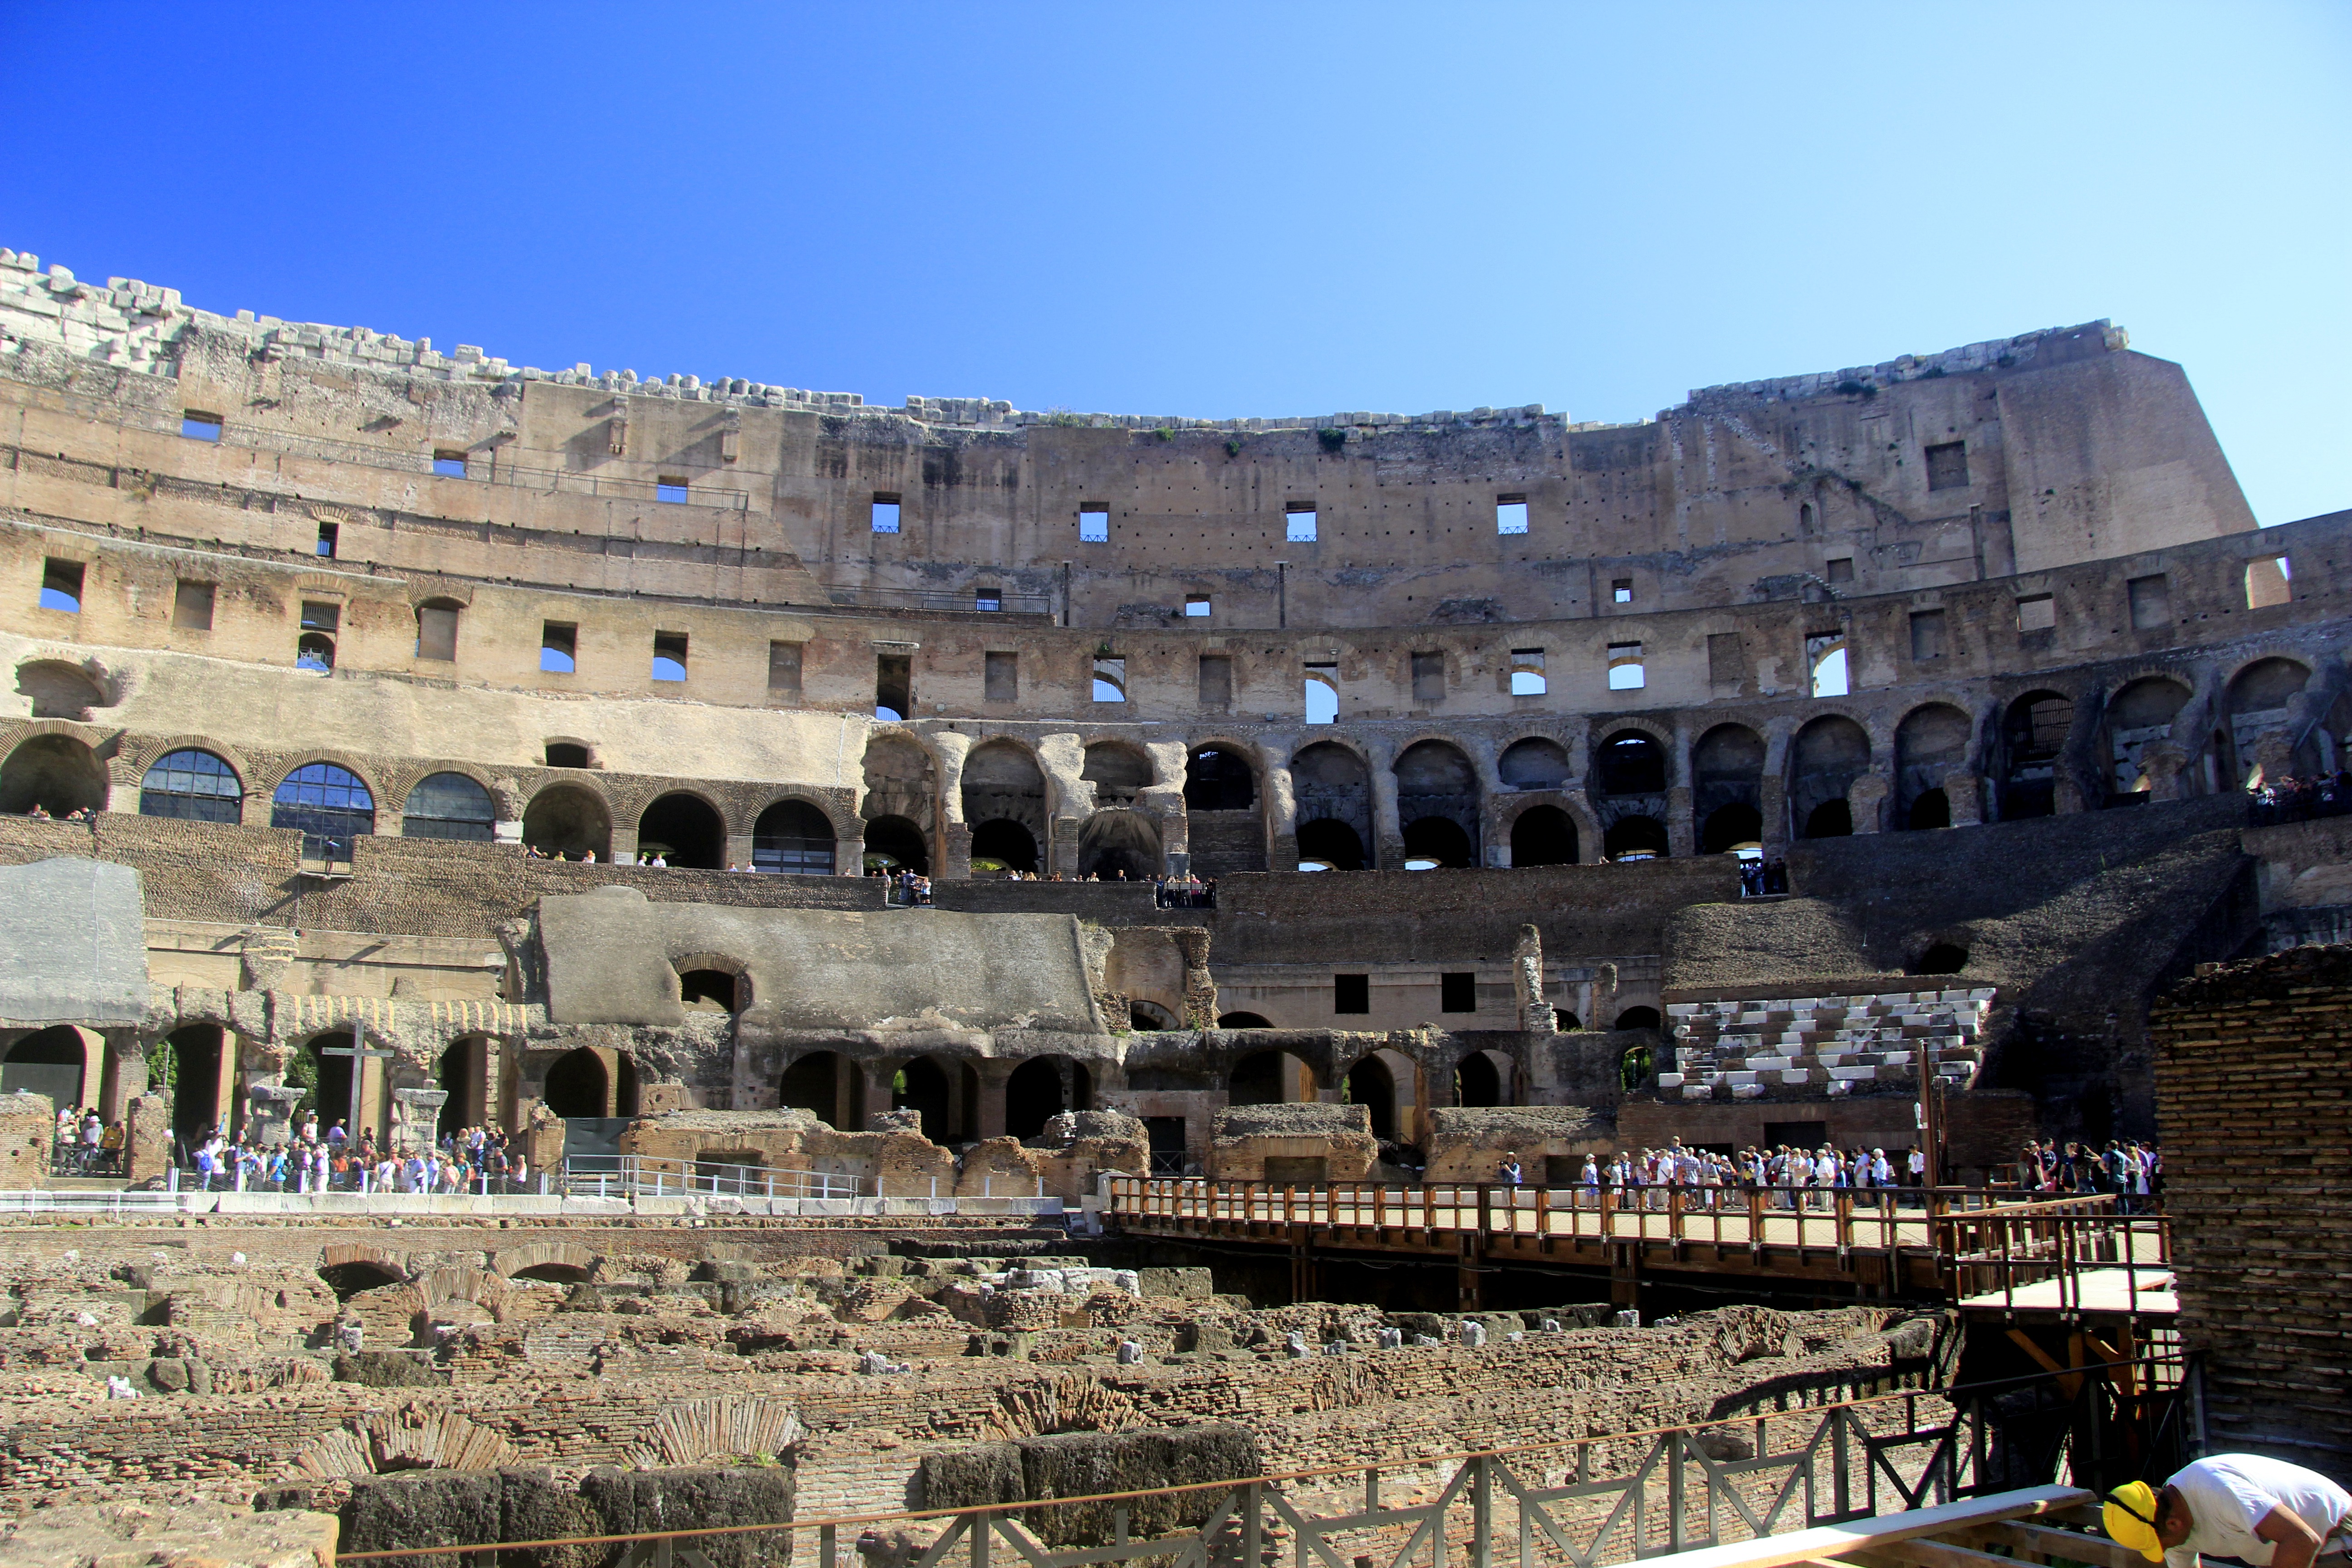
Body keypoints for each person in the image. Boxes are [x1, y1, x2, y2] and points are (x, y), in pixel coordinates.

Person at [2106, 1455, 2351, 1568]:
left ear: (2173, 1525)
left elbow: (2301, 1540)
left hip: (2339, 1542)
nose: (2166, 1551)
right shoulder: (2168, 1518)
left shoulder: (2217, 1489)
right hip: (2290, 1557)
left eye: (2162, 1545)